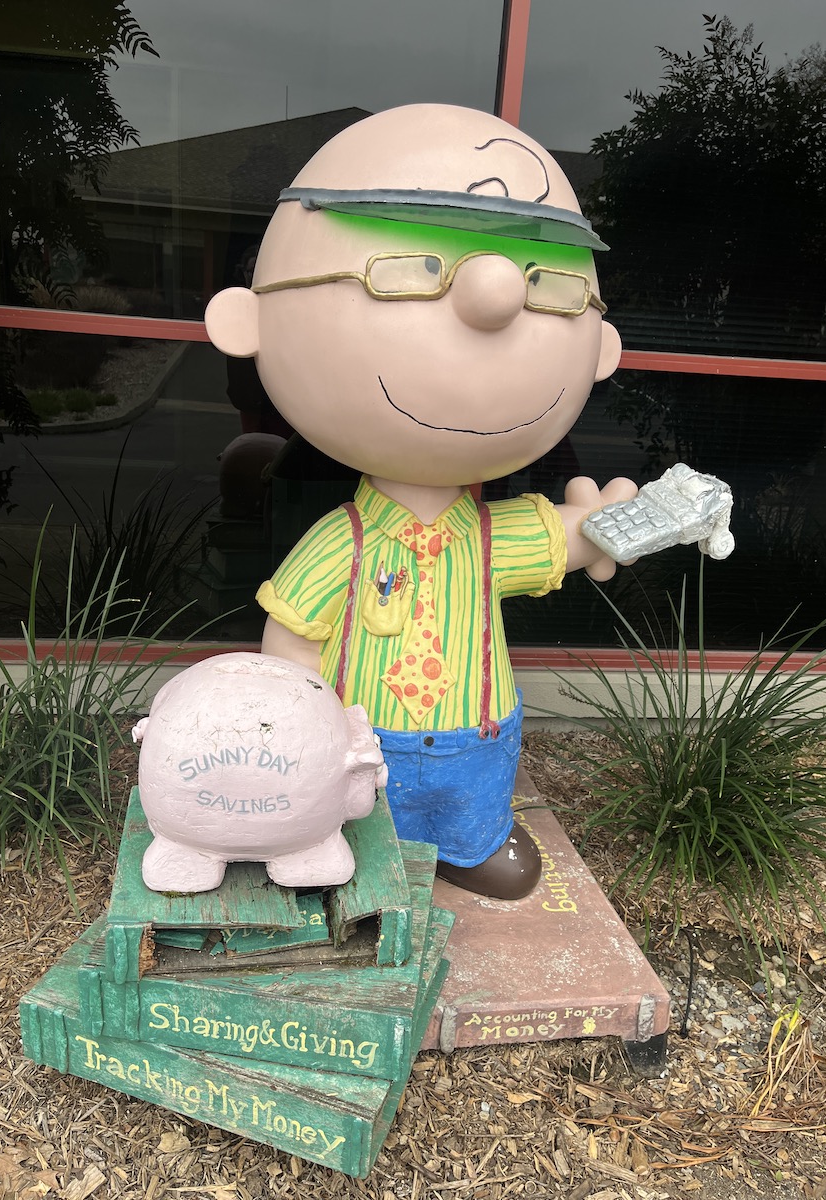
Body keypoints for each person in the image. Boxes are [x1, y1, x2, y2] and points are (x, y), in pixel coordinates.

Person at [204, 103, 637, 899]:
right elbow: (293, 637)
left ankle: (472, 843)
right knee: (361, 822)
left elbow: (560, 538)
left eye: (545, 283)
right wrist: (295, 727)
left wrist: (611, 526)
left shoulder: (491, 536)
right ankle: (349, 845)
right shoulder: (343, 542)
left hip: (479, 737)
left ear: (600, 347)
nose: (494, 295)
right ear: (248, 321)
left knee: (472, 813)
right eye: (413, 268)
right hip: (365, 743)